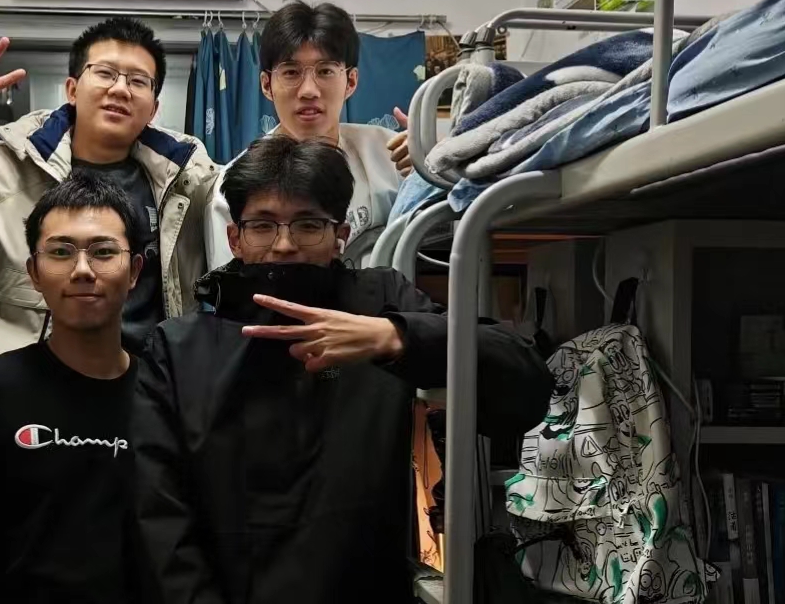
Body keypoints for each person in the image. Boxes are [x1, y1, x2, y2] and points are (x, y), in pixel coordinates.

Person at [134, 135, 553, 604]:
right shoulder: (178, 348)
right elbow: (160, 512)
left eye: (308, 224)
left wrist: (394, 336)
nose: (284, 244)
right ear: (235, 238)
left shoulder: (381, 302)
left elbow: (526, 385)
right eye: (263, 225)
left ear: (341, 235)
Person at [0, 18, 219, 359]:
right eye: (105, 73)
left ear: (153, 109)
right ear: (72, 90)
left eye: (138, 81)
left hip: (150, 379)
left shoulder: (188, 182)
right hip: (33, 380)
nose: (120, 89)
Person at [0, 170, 150, 603]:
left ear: (134, 271)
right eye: (60, 252)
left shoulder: (164, 395)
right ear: (34, 272)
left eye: (103, 252)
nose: (82, 270)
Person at [204, 0, 415, 270]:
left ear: (351, 81)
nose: (308, 91)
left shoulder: (391, 152)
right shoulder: (236, 185)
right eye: (291, 72)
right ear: (266, 85)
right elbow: (228, 284)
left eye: (325, 71)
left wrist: (432, 170)